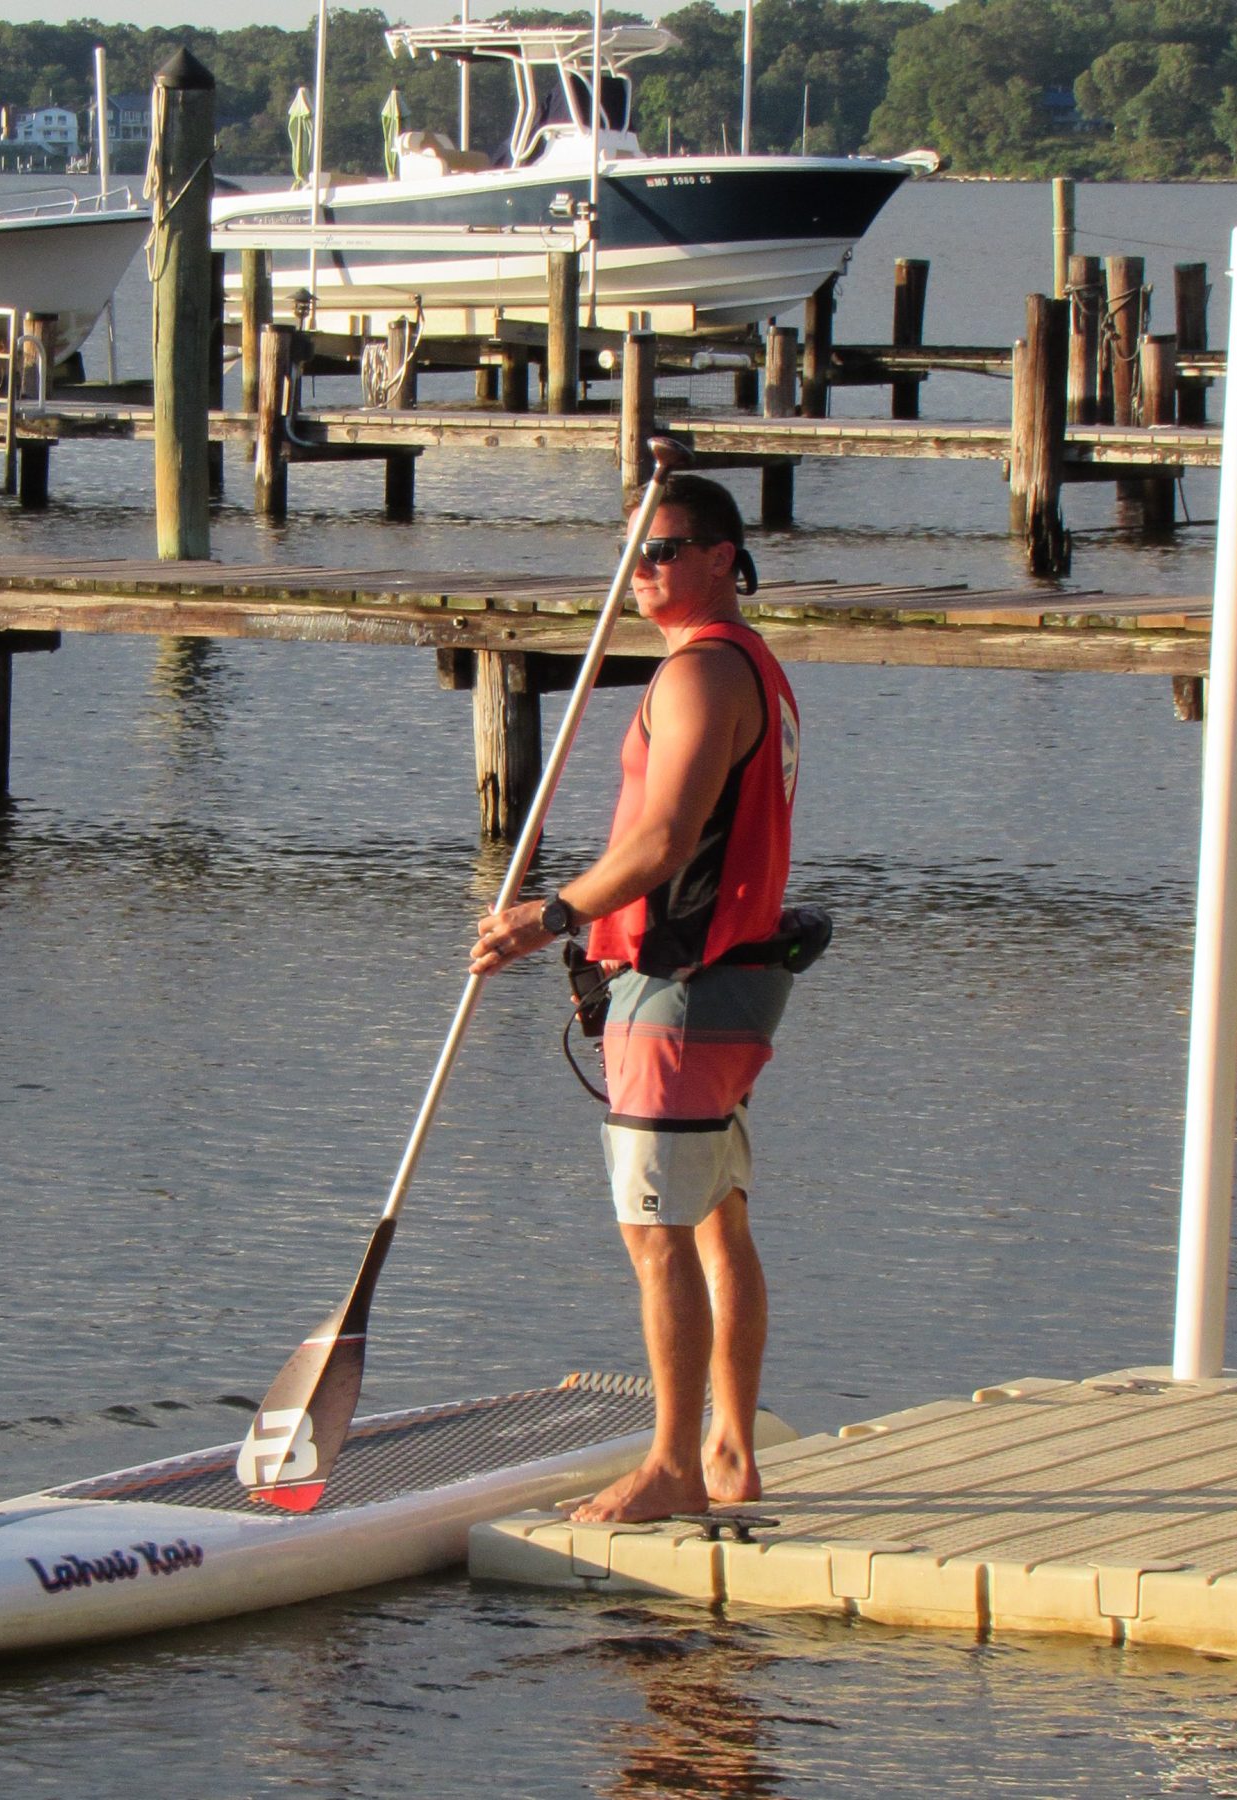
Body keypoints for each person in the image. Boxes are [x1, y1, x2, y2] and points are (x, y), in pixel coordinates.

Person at [471, 472, 801, 1525]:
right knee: (716, 1221)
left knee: (658, 1232)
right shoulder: (738, 666)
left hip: (685, 991)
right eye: (631, 555)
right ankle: (731, 1453)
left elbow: (661, 845)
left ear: (721, 558)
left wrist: (549, 915)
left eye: (661, 551)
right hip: (731, 986)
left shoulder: (704, 673)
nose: (640, 572)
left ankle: (669, 1465)